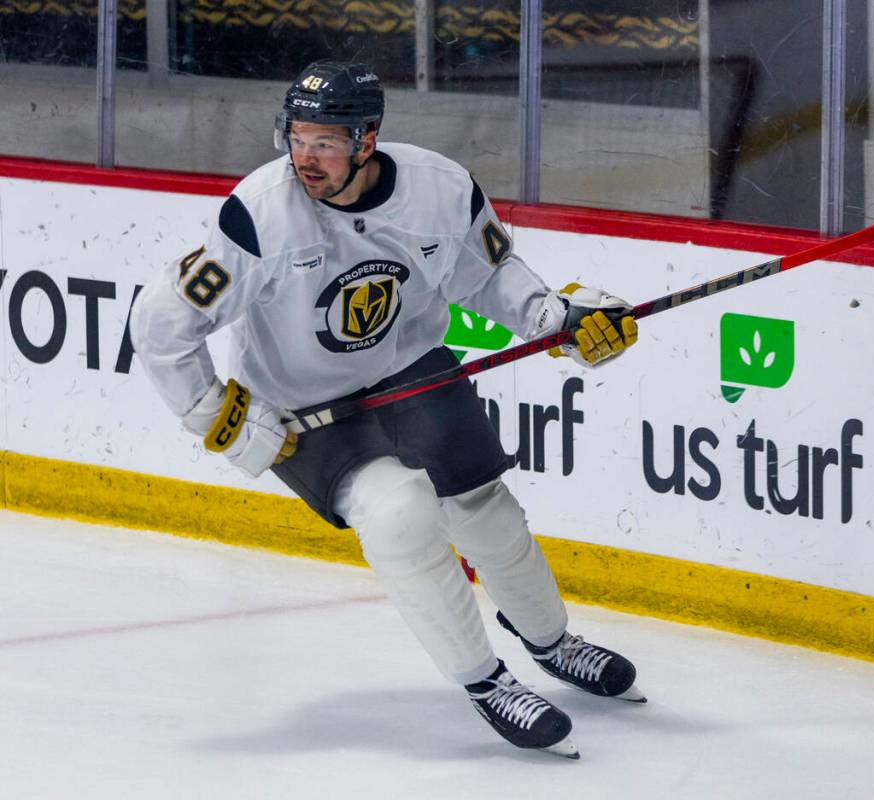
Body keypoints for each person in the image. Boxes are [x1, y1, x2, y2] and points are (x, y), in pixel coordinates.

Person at [130, 59, 643, 759]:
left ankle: (553, 644)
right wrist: (214, 412)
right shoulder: (259, 214)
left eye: (324, 144)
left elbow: (488, 277)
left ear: (366, 141)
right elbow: (161, 324)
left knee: (483, 506)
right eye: (296, 139)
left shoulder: (439, 190)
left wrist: (556, 319)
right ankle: (487, 681)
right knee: (399, 514)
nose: (304, 159)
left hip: (406, 365)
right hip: (301, 400)